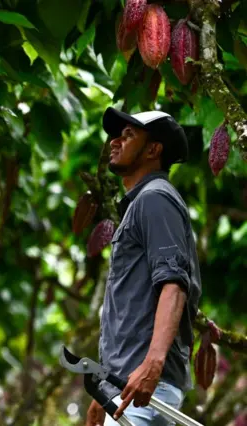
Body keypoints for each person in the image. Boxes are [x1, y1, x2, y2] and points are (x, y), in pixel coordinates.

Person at [85, 108, 202, 426]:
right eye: (116, 134)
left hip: (145, 388)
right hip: (126, 390)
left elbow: (174, 285)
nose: (114, 142)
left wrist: (153, 365)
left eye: (128, 135)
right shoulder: (142, 204)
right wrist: (104, 391)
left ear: (154, 149)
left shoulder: (155, 199)